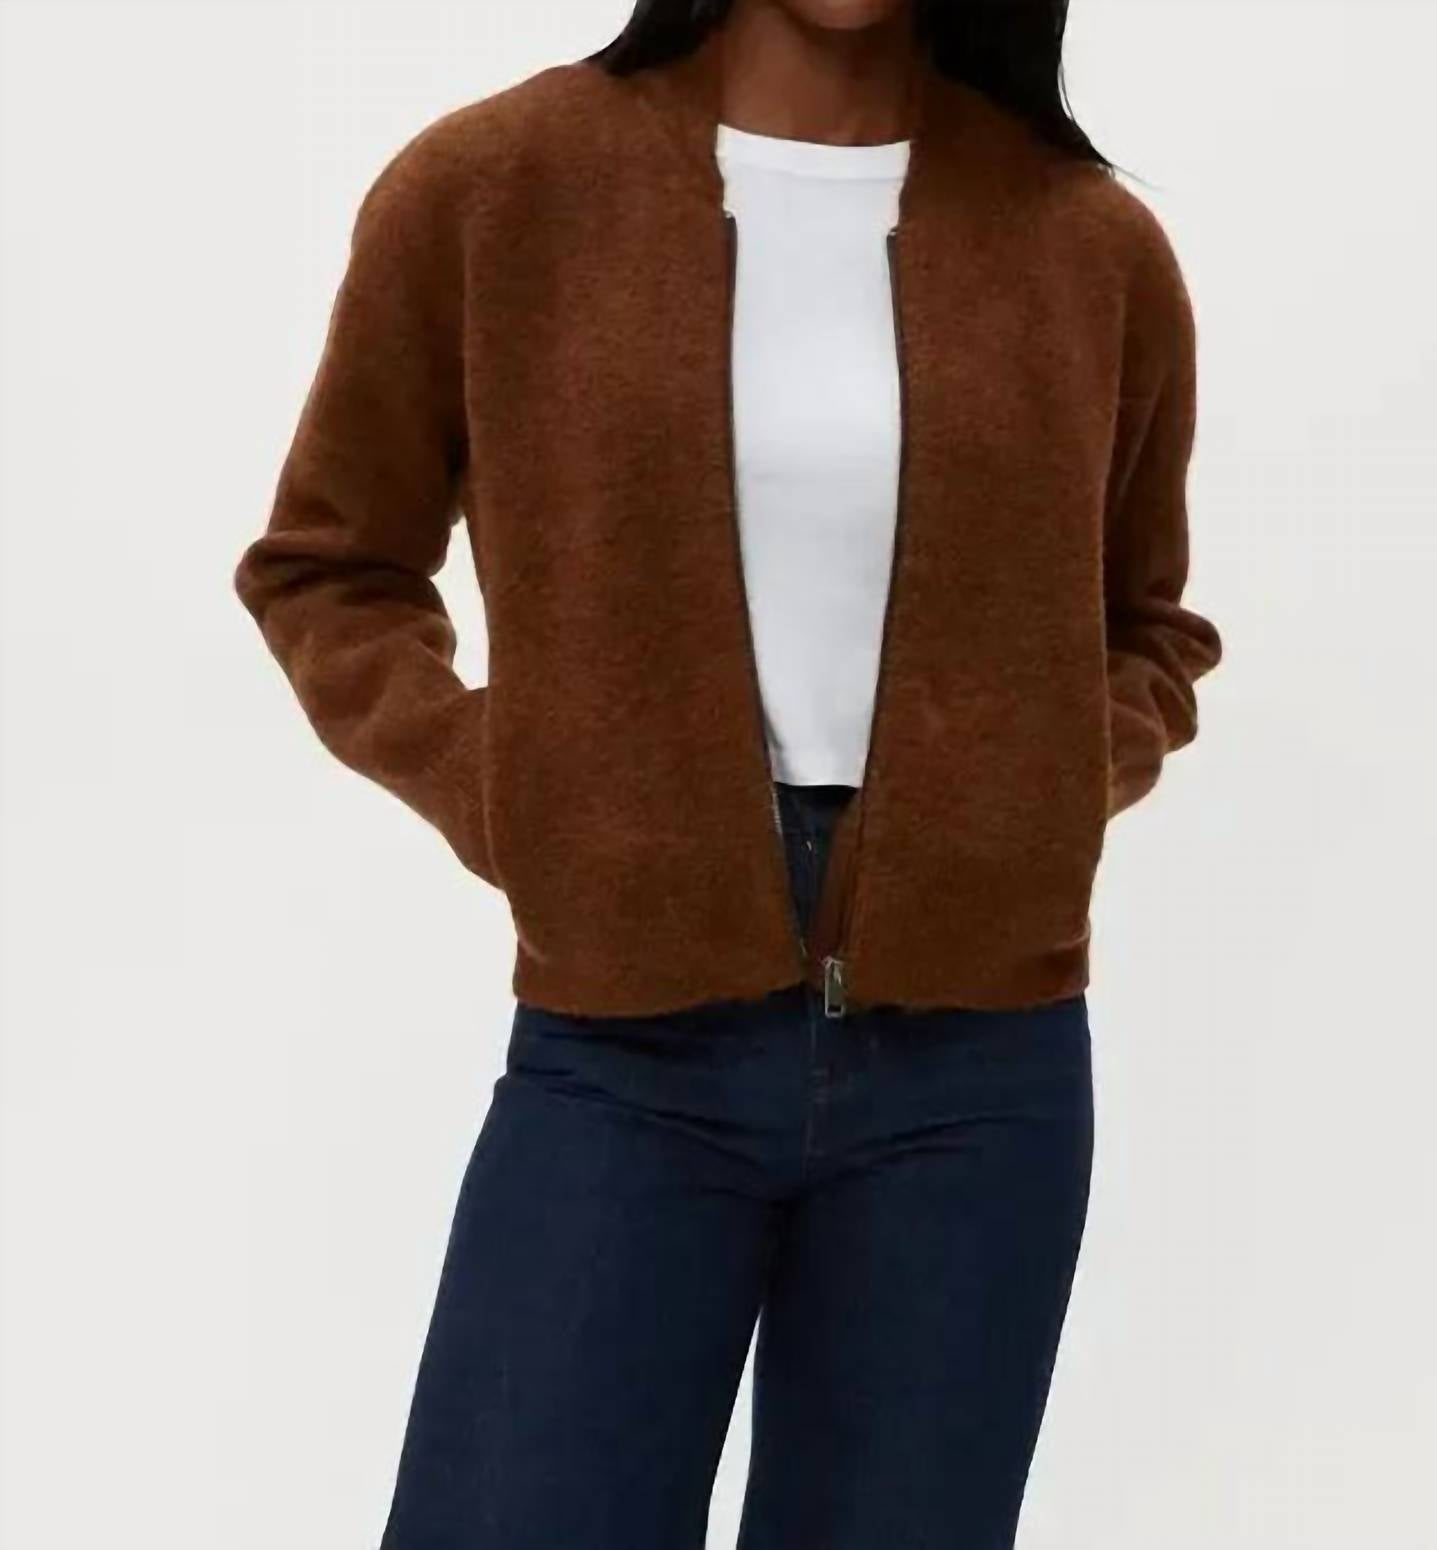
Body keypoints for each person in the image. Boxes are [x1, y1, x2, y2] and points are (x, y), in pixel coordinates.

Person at [232, 0, 1222, 1543]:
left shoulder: (1087, 243)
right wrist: (516, 789)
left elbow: (1146, 625)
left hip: (981, 1074)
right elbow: (328, 566)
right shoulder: (496, 189)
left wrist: (1030, 795)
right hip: (628, 1046)